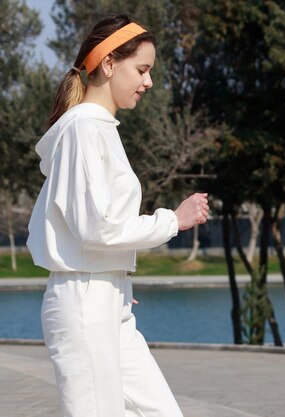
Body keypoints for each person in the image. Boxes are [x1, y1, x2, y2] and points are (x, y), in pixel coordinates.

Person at [26, 14, 208, 417]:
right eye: (142, 70)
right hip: (85, 302)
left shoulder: (98, 129)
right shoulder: (83, 129)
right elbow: (96, 227)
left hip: (105, 300)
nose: (149, 82)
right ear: (109, 63)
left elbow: (87, 227)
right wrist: (173, 220)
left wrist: (114, 279)